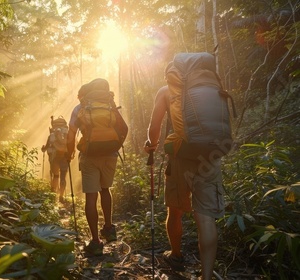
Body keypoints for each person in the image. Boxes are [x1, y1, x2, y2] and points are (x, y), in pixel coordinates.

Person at [144, 83, 225, 279]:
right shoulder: (212, 88)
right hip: (209, 155)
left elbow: (155, 126)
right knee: (205, 217)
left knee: (175, 210)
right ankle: (206, 275)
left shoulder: (166, 91)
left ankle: (176, 256)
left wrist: (151, 145)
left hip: (180, 157)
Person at [66, 78, 128, 256]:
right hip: (110, 154)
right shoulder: (109, 105)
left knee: (91, 197)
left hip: (90, 155)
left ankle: (95, 241)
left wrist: (70, 152)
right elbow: (124, 128)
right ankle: (109, 228)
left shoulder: (81, 108)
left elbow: (71, 135)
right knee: (105, 190)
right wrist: (116, 145)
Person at [41, 130, 69, 204]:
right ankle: (61, 197)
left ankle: (53, 195)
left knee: (56, 176)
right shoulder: (67, 134)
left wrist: (43, 148)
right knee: (63, 177)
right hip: (65, 158)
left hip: (55, 158)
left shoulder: (52, 135)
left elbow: (45, 148)